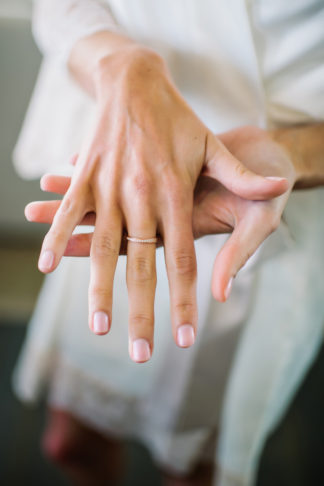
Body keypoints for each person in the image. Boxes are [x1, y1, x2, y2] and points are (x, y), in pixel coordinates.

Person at [13, 1, 324, 485]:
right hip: (125, 163)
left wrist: (291, 153)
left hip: (261, 207)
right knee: (70, 441)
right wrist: (117, 63)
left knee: (191, 467)